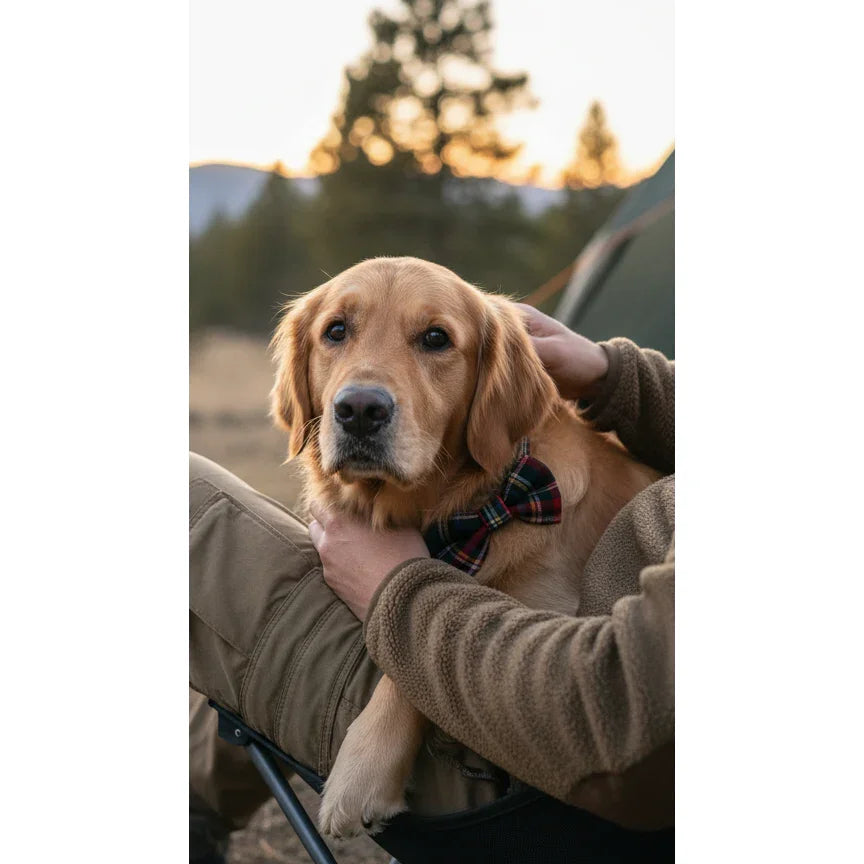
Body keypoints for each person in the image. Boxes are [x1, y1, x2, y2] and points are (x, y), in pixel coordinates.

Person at [189, 306, 674, 863]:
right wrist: (613, 373)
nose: (361, 393)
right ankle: (193, 812)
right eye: (338, 333)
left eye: (435, 339)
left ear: (493, 393)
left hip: (533, 791)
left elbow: (622, 710)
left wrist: (397, 589)